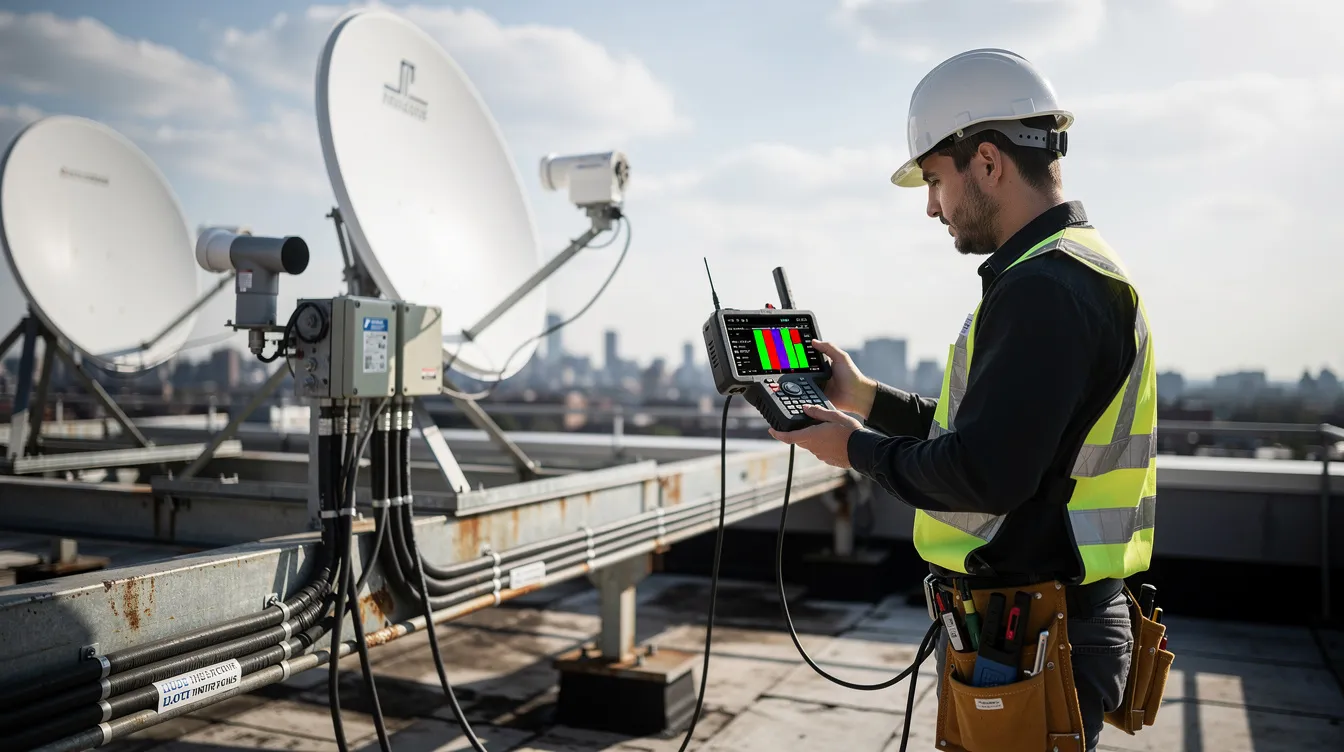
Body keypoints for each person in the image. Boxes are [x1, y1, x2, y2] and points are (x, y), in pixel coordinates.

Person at [768, 48, 1157, 751]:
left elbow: (987, 473)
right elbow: (994, 436)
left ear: (987, 162)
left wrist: (853, 447)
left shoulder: (1046, 289)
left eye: (935, 180)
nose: (930, 207)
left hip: (1038, 628)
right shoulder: (1069, 272)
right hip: (1037, 621)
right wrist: (864, 398)